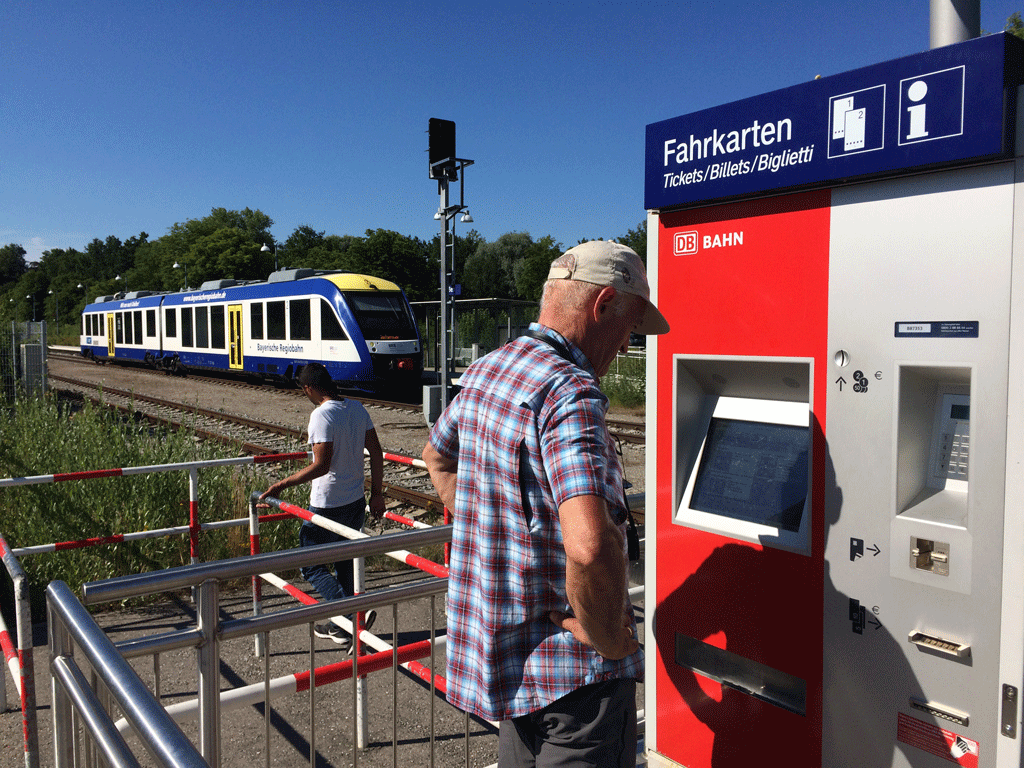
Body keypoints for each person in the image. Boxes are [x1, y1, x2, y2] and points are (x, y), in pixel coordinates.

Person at [422, 241, 670, 767]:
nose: (627, 346)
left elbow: (436, 457)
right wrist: (609, 641)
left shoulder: (491, 369)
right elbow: (587, 545)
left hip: (507, 667)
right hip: (575, 684)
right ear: (602, 304)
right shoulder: (570, 391)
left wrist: (496, 535)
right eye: (629, 328)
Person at [260, 362, 386, 651]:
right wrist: (377, 493)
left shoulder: (321, 415)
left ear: (308, 388)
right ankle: (341, 625)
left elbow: (321, 465)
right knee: (344, 564)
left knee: (310, 564)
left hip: (327, 504)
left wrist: (283, 484)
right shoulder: (356, 408)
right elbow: (376, 452)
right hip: (355, 501)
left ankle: (354, 617)